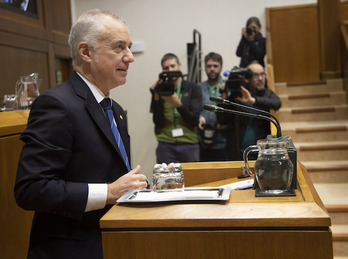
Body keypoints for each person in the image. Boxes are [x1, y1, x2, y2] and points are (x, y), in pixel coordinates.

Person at [14, 9, 148, 259]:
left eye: (129, 47)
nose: (129, 57)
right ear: (86, 52)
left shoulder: (115, 110)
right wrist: (108, 192)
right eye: (119, 47)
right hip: (71, 249)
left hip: (114, 241)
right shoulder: (56, 104)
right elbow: (31, 189)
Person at [222, 62, 281, 160]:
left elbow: (277, 103)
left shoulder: (266, 94)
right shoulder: (238, 95)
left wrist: (253, 101)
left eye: (262, 74)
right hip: (238, 153)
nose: (260, 78)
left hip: (262, 153)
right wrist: (223, 93)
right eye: (256, 75)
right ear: (247, 78)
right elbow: (222, 120)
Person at [150, 53, 202, 164]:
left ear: (179, 65)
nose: (170, 70)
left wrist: (178, 104)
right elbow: (157, 121)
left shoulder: (193, 88)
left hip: (189, 143)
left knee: (192, 180)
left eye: (173, 66)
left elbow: (194, 121)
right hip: (165, 143)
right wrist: (155, 97)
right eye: (166, 68)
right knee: (165, 180)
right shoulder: (161, 89)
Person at [198, 52, 228, 161]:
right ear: (205, 68)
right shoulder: (198, 88)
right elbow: (194, 109)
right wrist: (199, 118)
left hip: (224, 140)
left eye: (215, 66)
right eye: (209, 66)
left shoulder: (228, 87)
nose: (212, 69)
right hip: (202, 139)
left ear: (221, 67)